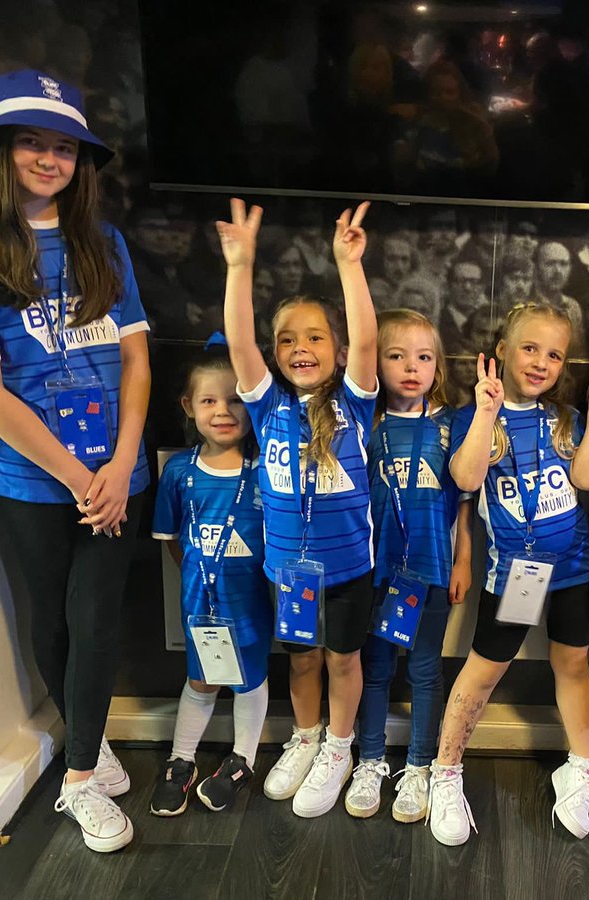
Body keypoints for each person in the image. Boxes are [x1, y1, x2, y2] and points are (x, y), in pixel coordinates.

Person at [0, 70, 151, 853]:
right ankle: (90, 750)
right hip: (29, 484)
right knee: (56, 626)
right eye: (32, 142)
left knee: (96, 620)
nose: (48, 158)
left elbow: (136, 361)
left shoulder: (107, 245)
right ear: (0, 151)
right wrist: (77, 476)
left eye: (63, 147)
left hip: (115, 477)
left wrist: (123, 463)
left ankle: (78, 777)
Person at [427, 303, 589, 846]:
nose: (541, 362)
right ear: (503, 353)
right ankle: (445, 772)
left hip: (570, 571)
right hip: (513, 575)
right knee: (485, 668)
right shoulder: (478, 416)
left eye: (555, 354)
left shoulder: (563, 418)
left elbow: (587, 479)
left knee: (574, 663)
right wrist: (487, 411)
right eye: (530, 349)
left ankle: (582, 767)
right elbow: (465, 476)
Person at [219, 198, 379, 819]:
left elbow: (367, 337)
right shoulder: (266, 404)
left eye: (314, 337)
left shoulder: (356, 402)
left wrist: (349, 264)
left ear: (335, 351)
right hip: (288, 572)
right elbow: (238, 339)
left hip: (347, 573)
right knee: (302, 659)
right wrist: (241, 265)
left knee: (343, 658)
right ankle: (305, 737)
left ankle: (340, 746)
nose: (300, 347)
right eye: (287, 339)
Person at [345, 310, 473, 822]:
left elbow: (464, 501)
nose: (410, 367)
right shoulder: (364, 420)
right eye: (396, 356)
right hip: (374, 571)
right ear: (375, 362)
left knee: (424, 671)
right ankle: (370, 760)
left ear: (437, 366)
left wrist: (464, 558)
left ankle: (420, 765)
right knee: (374, 669)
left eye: (423, 357)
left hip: (431, 570)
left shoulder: (451, 423)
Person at [148, 340, 272, 816]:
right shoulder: (179, 472)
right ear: (188, 406)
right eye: (209, 400)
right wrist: (204, 574)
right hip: (199, 605)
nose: (224, 411)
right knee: (200, 681)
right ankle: (181, 761)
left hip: (251, 604)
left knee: (249, 680)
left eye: (236, 398)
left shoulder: (264, 470)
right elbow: (173, 541)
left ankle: (244, 759)